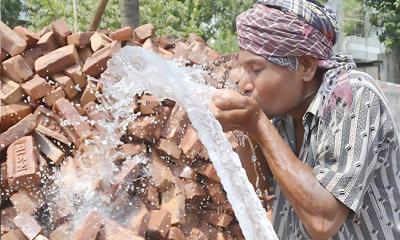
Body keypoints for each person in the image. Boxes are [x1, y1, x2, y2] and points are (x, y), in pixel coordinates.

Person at [211, 0, 400, 239]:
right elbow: (256, 188)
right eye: (243, 68)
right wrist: (242, 129)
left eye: (256, 69)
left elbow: (323, 221)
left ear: (306, 66)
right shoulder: (282, 114)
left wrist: (257, 124)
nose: (243, 84)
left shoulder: (353, 97)